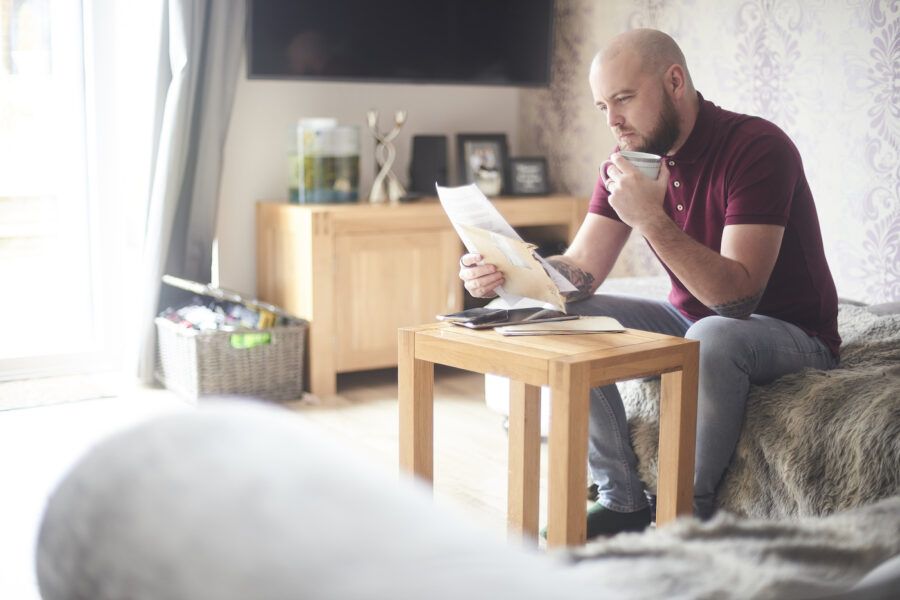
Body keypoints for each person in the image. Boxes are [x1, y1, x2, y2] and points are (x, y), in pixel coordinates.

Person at [458, 28, 840, 539]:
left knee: (716, 335)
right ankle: (622, 499)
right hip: (692, 316)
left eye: (623, 99)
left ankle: (684, 513)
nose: (613, 121)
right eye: (601, 106)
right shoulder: (627, 161)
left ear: (675, 81)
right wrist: (513, 275)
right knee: (555, 315)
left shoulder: (757, 147)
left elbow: (738, 298)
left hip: (792, 334)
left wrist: (652, 220)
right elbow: (581, 271)